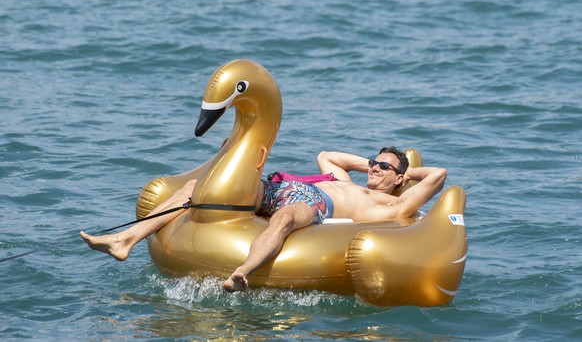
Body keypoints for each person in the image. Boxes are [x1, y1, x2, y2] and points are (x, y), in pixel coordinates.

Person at [80, 146, 446, 293]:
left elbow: (438, 175)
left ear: (400, 177)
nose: (375, 168)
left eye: (384, 167)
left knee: (286, 218)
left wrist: (405, 174)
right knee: (199, 186)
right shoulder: (345, 178)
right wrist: (369, 161)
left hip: (316, 205)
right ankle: (125, 239)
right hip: (278, 187)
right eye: (374, 162)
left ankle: (241, 272)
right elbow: (327, 155)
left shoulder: (390, 208)